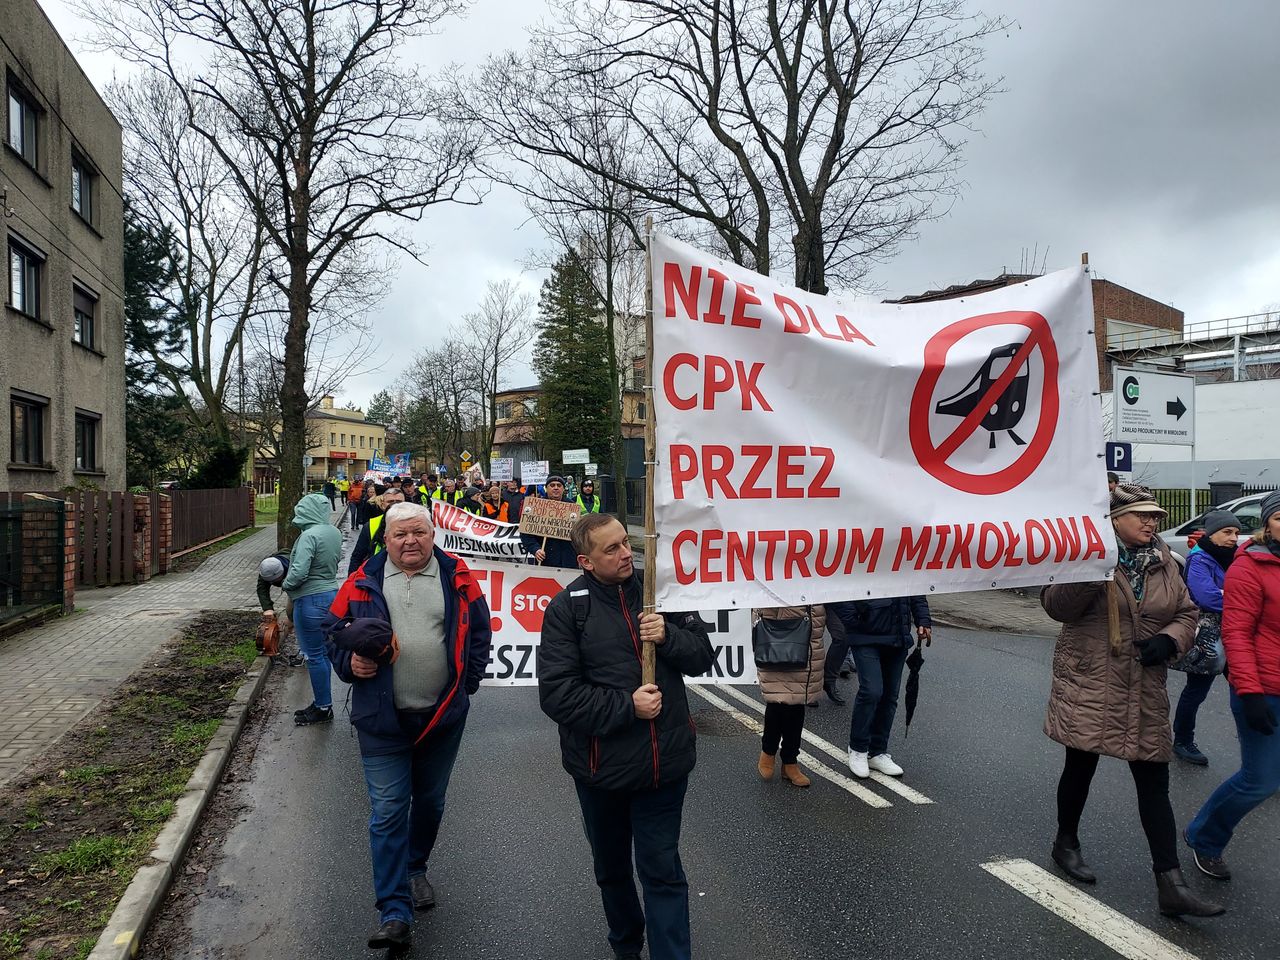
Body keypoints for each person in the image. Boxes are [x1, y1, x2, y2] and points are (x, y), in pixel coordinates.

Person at [1040, 483, 1223, 917]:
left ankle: (1170, 883)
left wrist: (1169, 639)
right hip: (1091, 679)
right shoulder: (1084, 551)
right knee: (1080, 766)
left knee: (1153, 779)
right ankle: (1065, 841)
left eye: (1156, 516)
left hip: (1143, 683)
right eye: (1141, 514)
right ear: (1113, 520)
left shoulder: (1164, 561)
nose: (1151, 522)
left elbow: (1187, 613)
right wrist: (1095, 565)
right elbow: (1056, 606)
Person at [539, 514, 714, 960]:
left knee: (662, 871)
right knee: (613, 870)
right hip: (601, 770)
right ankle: (626, 944)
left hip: (664, 766)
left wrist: (669, 635)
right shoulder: (566, 610)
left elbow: (702, 657)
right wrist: (626, 706)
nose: (625, 555)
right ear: (585, 561)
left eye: (625, 544)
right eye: (612, 549)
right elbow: (558, 696)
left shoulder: (660, 594)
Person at [324, 502, 492, 951]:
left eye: (418, 532)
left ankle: (415, 867)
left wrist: (466, 684)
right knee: (389, 809)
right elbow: (333, 629)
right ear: (387, 539)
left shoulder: (457, 576)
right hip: (382, 720)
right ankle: (394, 910)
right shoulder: (363, 581)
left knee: (431, 802)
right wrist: (349, 662)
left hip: (442, 718)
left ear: (432, 535)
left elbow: (480, 631)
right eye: (400, 535)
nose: (409, 541)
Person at [1184, 492, 1280, 883]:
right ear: (1268, 523)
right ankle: (1205, 837)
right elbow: (1237, 633)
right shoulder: (1251, 566)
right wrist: (1250, 692)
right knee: (1260, 781)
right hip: (1264, 688)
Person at [827, 595, 931, 779]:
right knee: (871, 691)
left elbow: (917, 587)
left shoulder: (905, 565)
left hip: (897, 636)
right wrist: (854, 619)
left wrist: (923, 620)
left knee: (890, 697)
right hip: (865, 635)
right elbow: (838, 589)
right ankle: (858, 748)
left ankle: (877, 751)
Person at [1172, 510, 1240, 765]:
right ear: (1212, 534)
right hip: (1209, 638)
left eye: (1235, 532)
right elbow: (1207, 597)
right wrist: (1241, 598)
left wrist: (1227, 593)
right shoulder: (1199, 559)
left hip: (1236, 633)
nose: (1233, 537)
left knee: (1247, 692)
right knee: (1196, 691)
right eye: (1227, 532)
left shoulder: (1235, 557)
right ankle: (1182, 740)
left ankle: (1260, 753)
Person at [754, 605, 840, 787]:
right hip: (777, 633)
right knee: (777, 701)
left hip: (808, 635)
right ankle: (768, 751)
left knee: (797, 704)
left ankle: (790, 762)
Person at [282, 493, 344, 726]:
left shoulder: (309, 535)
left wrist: (286, 585)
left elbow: (299, 572)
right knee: (323, 652)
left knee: (314, 654)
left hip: (310, 599)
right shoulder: (333, 532)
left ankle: (323, 706)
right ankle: (322, 701)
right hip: (330, 595)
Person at [520, 475, 579, 568]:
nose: (556, 488)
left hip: (568, 560)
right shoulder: (536, 506)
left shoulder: (573, 507)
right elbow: (525, 534)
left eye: (559, 485)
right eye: (552, 485)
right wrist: (535, 549)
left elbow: (579, 534)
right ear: (546, 488)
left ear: (563, 489)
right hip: (545, 559)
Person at [348, 488, 406, 575]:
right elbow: (357, 557)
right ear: (382, 505)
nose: (394, 505)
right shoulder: (371, 525)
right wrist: (352, 583)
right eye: (390, 502)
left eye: (399, 502)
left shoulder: (417, 524)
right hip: (377, 576)